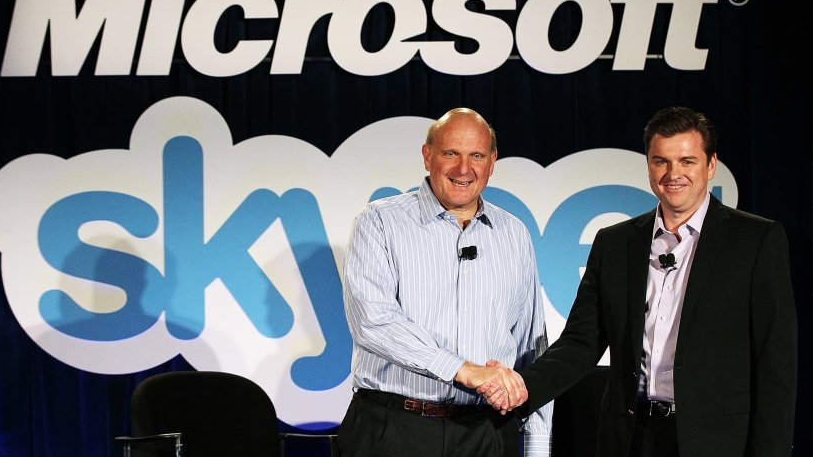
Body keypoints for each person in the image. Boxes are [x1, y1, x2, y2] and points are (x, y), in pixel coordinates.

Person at [481, 105, 797, 456]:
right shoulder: (615, 243)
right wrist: (523, 386)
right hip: (630, 437)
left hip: (716, 440)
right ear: (648, 165)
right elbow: (580, 344)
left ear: (710, 165)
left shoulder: (755, 240)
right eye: (661, 161)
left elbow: (775, 363)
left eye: (687, 161)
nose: (673, 173)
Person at [338, 108, 552, 457]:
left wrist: (537, 444)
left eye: (477, 156)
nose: (463, 169)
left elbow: (531, 346)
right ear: (427, 156)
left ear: (493, 161)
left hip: (487, 433)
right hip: (395, 429)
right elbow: (373, 323)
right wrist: (464, 371)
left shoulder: (514, 234)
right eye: (451, 153)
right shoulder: (379, 221)